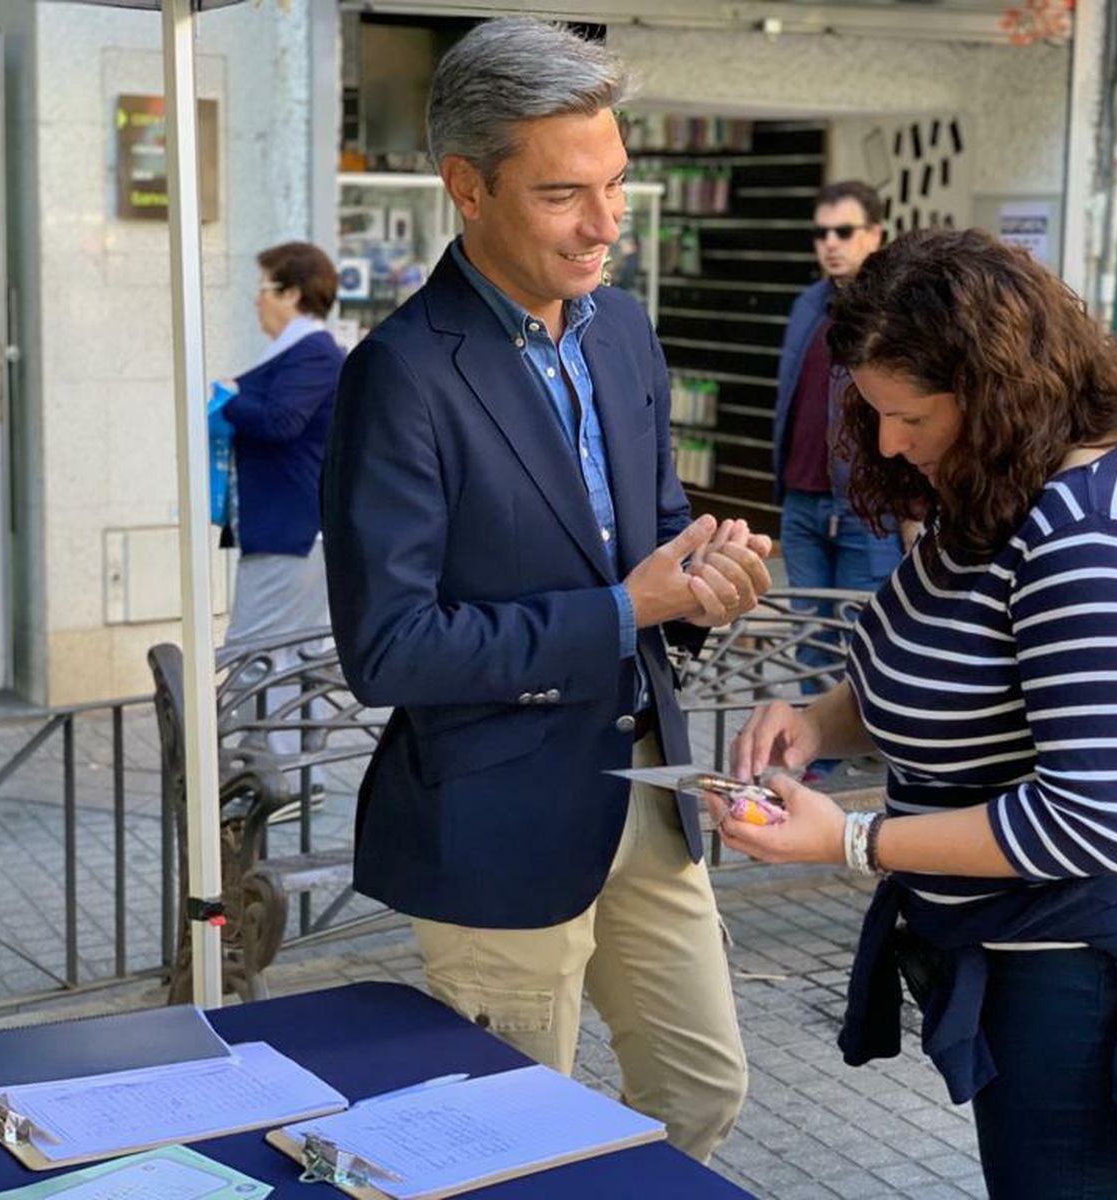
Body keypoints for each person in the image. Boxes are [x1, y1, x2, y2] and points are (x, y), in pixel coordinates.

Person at [711, 229, 1117, 1197]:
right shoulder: (1001, 481)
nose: (887, 444)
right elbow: (961, 672)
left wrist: (852, 841)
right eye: (872, 413)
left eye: (909, 415)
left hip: (1089, 972)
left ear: (995, 390)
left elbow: (1085, 821)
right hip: (1027, 954)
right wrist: (821, 720)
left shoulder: (1094, 543)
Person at [321, 18, 769, 1162]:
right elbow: (389, 648)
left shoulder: (621, 330)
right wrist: (631, 609)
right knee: (506, 1154)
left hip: (647, 795)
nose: (607, 225)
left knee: (702, 1088)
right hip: (495, 820)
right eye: (566, 194)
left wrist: (708, 586)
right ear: (465, 186)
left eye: (617, 185)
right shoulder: (400, 375)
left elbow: (653, 536)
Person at [218, 242, 344, 814]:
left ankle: (282, 782)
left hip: (294, 529)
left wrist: (227, 398)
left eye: (265, 287)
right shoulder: (298, 353)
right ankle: (291, 777)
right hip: (291, 526)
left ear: (292, 294)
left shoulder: (314, 352)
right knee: (290, 652)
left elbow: (281, 421)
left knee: (256, 652)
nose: (256, 300)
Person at [774, 181, 909, 704]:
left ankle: (867, 747)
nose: (831, 242)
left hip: (867, 509)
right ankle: (818, 750)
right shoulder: (806, 307)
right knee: (808, 639)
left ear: (874, 234)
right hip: (803, 501)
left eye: (844, 231)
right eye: (821, 232)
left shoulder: (897, 315)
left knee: (862, 637)